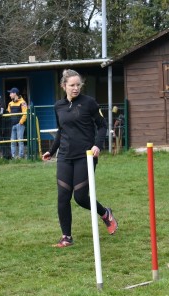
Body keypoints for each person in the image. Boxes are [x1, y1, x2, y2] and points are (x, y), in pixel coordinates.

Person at [41, 69, 119, 248]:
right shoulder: (58, 106)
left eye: (78, 85)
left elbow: (102, 126)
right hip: (65, 156)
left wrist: (97, 145)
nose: (75, 88)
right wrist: (51, 151)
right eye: (72, 85)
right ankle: (66, 237)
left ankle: (105, 213)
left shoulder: (89, 103)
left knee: (81, 197)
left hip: (86, 155)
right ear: (64, 86)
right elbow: (61, 130)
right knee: (63, 197)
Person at [5, 87, 27, 159]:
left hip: (19, 125)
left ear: (15, 94)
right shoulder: (10, 103)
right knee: (13, 142)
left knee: (20, 141)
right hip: (12, 125)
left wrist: (20, 122)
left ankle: (21, 156)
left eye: (11, 93)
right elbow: (8, 113)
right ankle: (13, 157)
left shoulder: (22, 102)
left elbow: (25, 113)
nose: (10, 95)